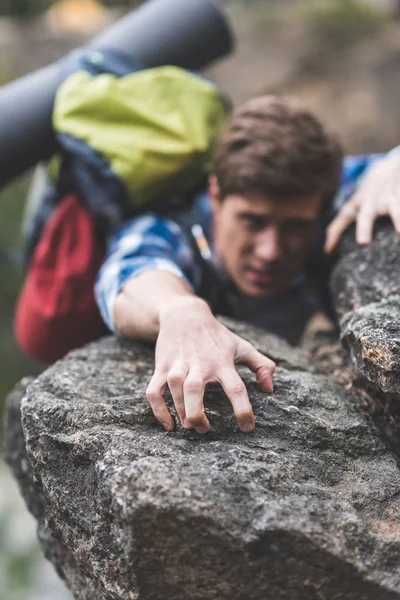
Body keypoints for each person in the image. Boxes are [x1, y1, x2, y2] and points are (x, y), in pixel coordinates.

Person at [77, 95, 400, 434]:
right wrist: (179, 310)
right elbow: (129, 273)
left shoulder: (322, 188)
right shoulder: (172, 225)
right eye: (253, 221)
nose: (270, 251)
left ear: (322, 205)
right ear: (215, 192)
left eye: (296, 226)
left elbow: (385, 167)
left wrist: (393, 166)